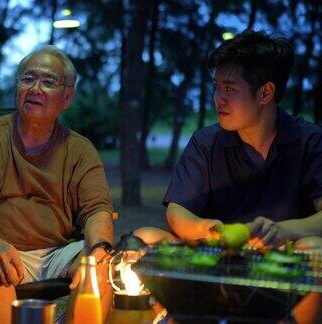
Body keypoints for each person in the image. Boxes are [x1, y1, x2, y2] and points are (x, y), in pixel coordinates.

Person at [135, 30, 322, 323]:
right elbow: (177, 210)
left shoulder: (309, 142)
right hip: (212, 260)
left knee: (315, 251)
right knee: (144, 238)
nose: (217, 99)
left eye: (230, 89)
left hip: (281, 263)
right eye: (216, 87)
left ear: (265, 93)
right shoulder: (206, 142)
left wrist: (285, 230)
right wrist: (209, 230)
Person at [0, 45, 114, 323]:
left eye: (48, 82)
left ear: (67, 97)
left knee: (101, 268)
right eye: (27, 79)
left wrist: (98, 252)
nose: (35, 88)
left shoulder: (80, 151)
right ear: (17, 88)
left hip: (58, 250)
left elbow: (97, 209)